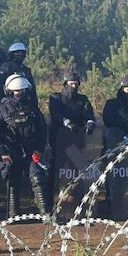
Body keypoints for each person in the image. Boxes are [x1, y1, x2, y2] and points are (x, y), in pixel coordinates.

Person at [0, 75, 48, 215]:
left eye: (22, 91)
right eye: (16, 91)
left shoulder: (33, 109)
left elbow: (42, 130)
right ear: (10, 91)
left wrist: (39, 150)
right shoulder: (2, 109)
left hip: (31, 151)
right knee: (13, 181)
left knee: (37, 178)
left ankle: (45, 214)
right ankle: (13, 215)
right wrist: (4, 153)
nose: (20, 94)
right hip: (12, 152)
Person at [47, 68, 97, 208]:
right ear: (65, 83)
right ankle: (55, 199)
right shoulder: (56, 98)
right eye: (70, 83)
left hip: (77, 139)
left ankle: (76, 199)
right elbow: (55, 114)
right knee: (58, 170)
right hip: (59, 140)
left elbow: (88, 113)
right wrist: (67, 123)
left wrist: (90, 122)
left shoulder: (83, 99)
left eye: (76, 84)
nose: (73, 86)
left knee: (76, 168)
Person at [102, 77, 128, 147]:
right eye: (127, 90)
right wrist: (123, 122)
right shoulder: (112, 103)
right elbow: (107, 120)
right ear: (121, 89)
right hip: (116, 130)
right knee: (112, 132)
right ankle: (113, 154)